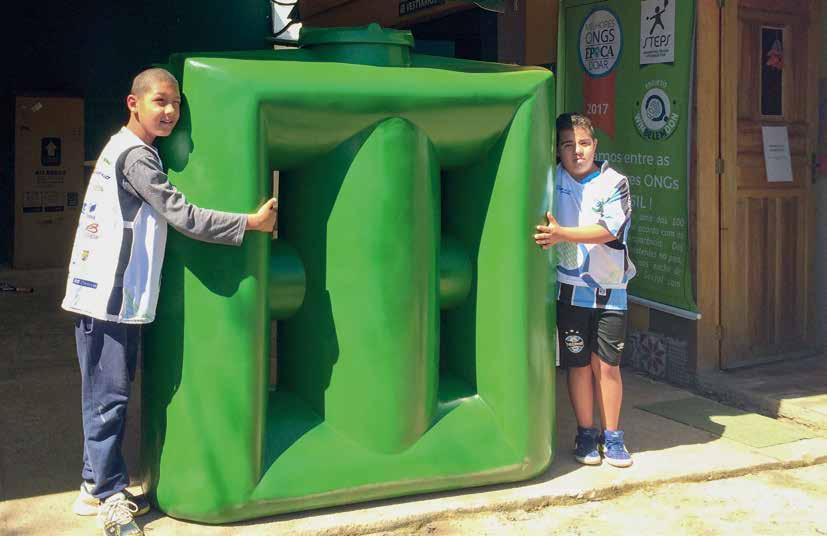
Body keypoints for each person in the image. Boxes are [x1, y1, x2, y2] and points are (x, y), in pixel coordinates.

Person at [61, 67, 277, 535]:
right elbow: (184, 216)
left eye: (176, 103)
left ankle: (92, 485)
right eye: (160, 101)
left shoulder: (126, 147)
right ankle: (110, 499)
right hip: (107, 298)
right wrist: (249, 223)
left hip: (109, 297)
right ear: (133, 103)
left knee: (105, 395)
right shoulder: (137, 158)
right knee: (108, 400)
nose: (170, 112)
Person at [534, 113, 636, 468]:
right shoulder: (550, 178)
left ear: (595, 145)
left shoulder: (614, 182)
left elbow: (610, 230)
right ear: (557, 150)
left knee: (607, 366)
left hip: (610, 290)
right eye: (567, 144)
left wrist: (561, 234)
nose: (576, 151)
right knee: (577, 365)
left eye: (583, 143)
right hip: (568, 291)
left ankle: (613, 435)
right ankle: (586, 433)